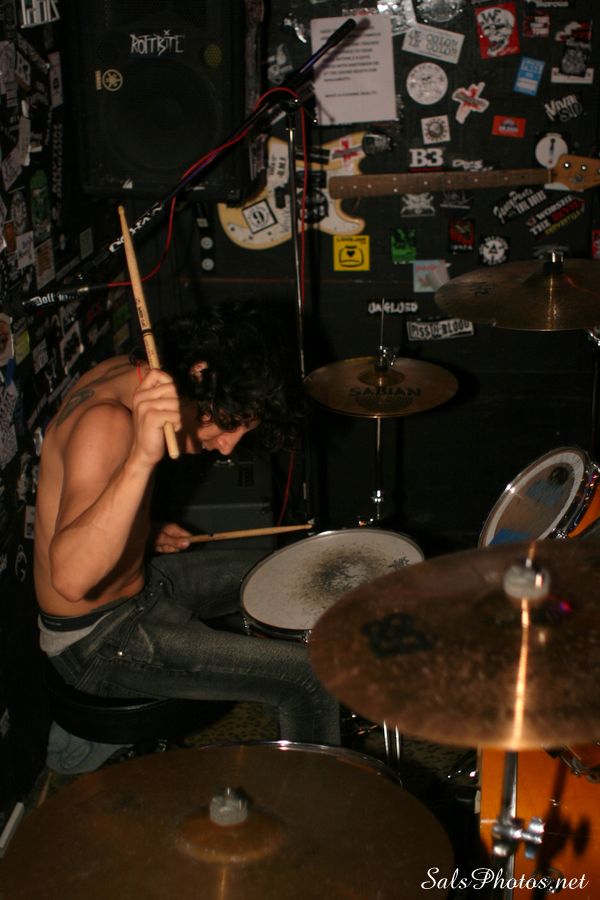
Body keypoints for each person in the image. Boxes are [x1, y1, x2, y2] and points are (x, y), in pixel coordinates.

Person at [34, 301, 340, 746]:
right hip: (94, 640)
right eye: (231, 424)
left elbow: (86, 503)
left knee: (296, 574)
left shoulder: (126, 372)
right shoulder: (108, 422)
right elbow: (70, 580)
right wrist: (143, 457)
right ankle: (313, 791)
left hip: (139, 587)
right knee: (309, 678)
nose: (228, 446)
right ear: (200, 374)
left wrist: (145, 530)